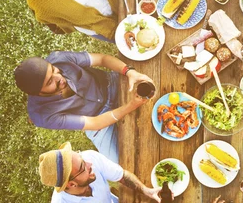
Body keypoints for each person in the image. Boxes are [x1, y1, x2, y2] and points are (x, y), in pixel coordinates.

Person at [14, 50, 153, 163]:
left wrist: (129, 72)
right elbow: (94, 123)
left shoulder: (58, 58)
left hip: (109, 84)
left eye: (54, 70)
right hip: (96, 120)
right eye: (50, 81)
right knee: (122, 163)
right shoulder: (41, 115)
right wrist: (131, 106)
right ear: (38, 93)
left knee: (151, 81)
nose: (59, 78)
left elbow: (102, 59)